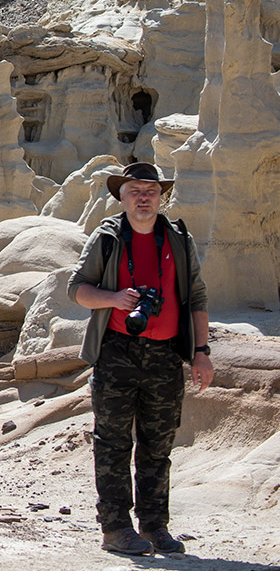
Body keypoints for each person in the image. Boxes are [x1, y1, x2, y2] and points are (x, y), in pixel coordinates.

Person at [67, 162, 213, 556]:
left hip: (166, 355)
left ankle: (154, 526)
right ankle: (115, 528)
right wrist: (113, 299)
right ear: (122, 196)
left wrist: (201, 352)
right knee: (112, 442)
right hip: (116, 350)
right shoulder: (109, 237)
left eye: (151, 190)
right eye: (135, 190)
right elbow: (77, 289)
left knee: (158, 444)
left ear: (161, 195)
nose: (144, 197)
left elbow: (196, 298)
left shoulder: (179, 239)